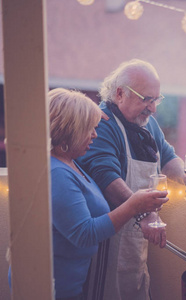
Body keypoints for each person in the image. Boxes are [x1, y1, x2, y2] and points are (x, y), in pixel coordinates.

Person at [77, 59, 186, 300]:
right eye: (146, 99)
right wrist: (145, 213)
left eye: (156, 99)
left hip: (140, 235)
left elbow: (167, 156)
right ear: (120, 93)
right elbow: (107, 178)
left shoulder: (147, 123)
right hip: (108, 239)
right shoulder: (102, 123)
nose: (153, 108)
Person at [48, 88, 168, 299]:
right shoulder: (57, 173)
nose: (95, 134)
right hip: (55, 288)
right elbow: (85, 234)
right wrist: (134, 205)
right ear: (69, 130)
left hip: (73, 284)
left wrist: (90, 112)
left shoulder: (70, 162)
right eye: (88, 128)